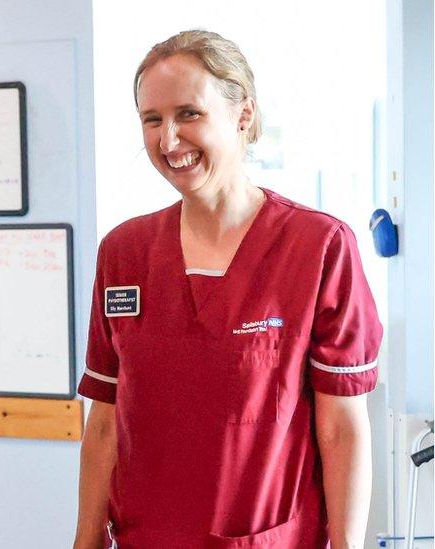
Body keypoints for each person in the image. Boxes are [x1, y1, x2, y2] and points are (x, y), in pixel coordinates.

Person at [73, 30, 381, 548]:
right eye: (152, 120)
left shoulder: (319, 247)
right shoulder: (123, 252)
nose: (168, 140)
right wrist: (84, 539)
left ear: (243, 115)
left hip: (267, 538)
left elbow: (342, 427)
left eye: (188, 114)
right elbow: (105, 417)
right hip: (146, 537)